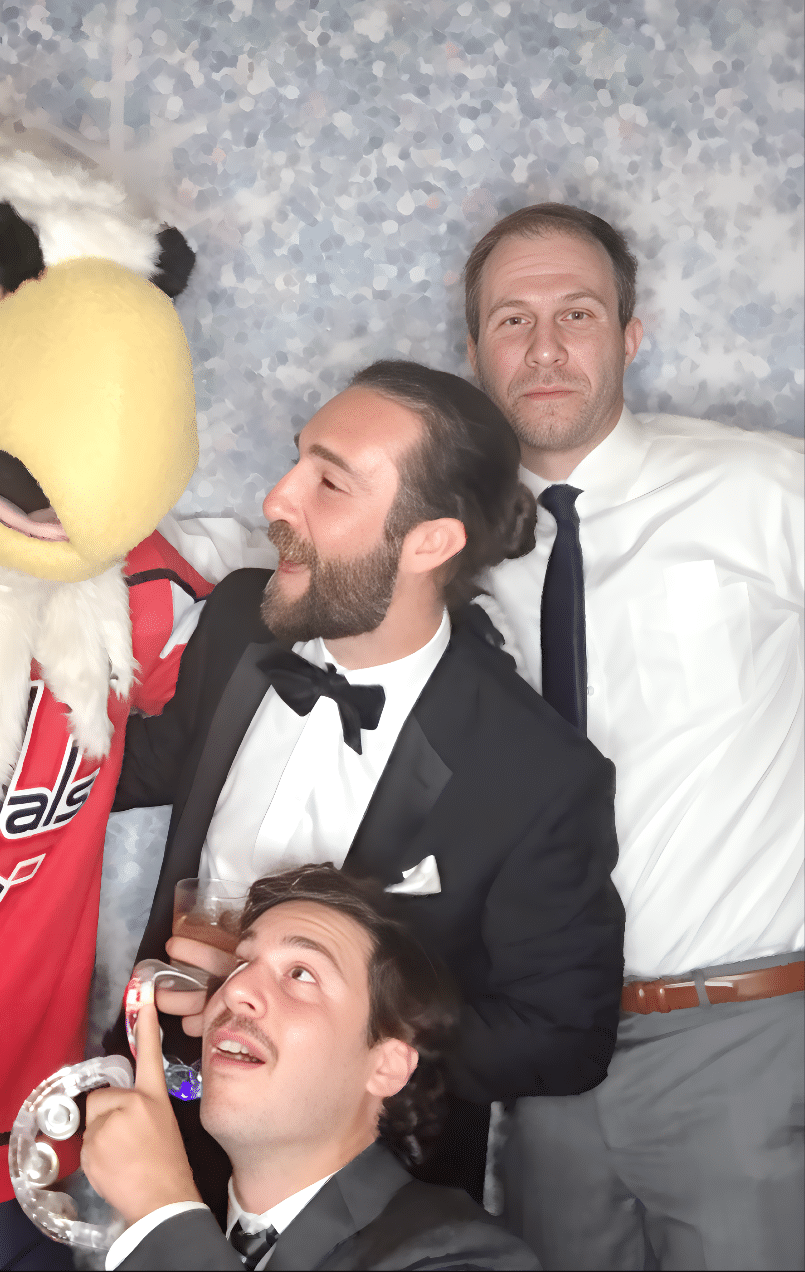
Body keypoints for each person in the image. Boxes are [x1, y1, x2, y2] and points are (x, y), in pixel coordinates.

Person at [108, 358, 626, 1209]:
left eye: (329, 482)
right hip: (169, 1116)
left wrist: (343, 1038)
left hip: (368, 1199)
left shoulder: (533, 775)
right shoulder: (240, 620)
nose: (276, 498)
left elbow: (562, 1039)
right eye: (295, 461)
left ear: (429, 542)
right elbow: (153, 762)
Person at [463, 202, 804, 1271]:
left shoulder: (759, 489)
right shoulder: (445, 538)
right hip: (541, 1052)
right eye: (510, 321)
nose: (546, 347)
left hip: (737, 1040)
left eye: (576, 312)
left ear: (628, 335)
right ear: (472, 351)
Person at [83, 864, 540, 1271]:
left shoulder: (464, 1258)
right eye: (241, 963)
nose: (235, 990)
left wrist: (163, 1211)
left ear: (386, 1066)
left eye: (301, 973)